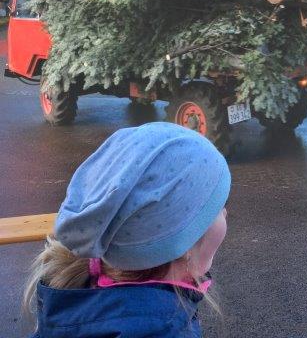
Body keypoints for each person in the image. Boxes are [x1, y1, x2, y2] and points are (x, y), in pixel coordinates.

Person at [24, 121, 231, 337]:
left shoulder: (75, 302)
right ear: (184, 241)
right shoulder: (167, 329)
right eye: (217, 207)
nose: (225, 213)